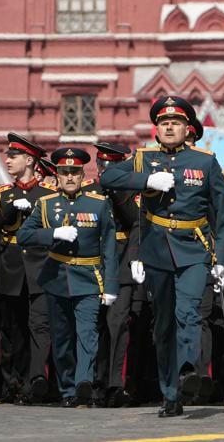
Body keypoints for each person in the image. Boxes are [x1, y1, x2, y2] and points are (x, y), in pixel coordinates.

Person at [100, 96, 224, 417]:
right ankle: (171, 394)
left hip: (193, 248)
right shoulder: (143, 158)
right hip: (156, 249)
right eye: (163, 123)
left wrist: (222, 259)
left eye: (175, 123)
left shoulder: (205, 162)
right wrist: (145, 180)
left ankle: (187, 370)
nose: (169, 127)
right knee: (162, 324)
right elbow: (107, 178)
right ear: (156, 129)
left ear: (188, 129)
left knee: (188, 312)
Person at [17, 147, 118, 408]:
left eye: (74, 172)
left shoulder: (98, 203)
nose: (70, 177)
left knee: (87, 334)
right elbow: (23, 236)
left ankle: (84, 383)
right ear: (58, 176)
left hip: (88, 277)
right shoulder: (46, 204)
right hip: (57, 278)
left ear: (82, 174)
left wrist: (110, 286)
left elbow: (108, 246)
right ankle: (68, 389)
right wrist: (52, 235)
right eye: (64, 173)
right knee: (61, 339)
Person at [0, 133, 56, 405]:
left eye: (14, 156)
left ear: (30, 160)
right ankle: (11, 383)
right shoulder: (3, 194)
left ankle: (35, 381)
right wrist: (9, 211)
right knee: (11, 332)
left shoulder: (49, 196)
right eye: (8, 155)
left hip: (40, 268)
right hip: (10, 268)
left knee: (39, 328)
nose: (8, 160)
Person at [89, 142, 142, 408]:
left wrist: (119, 191)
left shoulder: (131, 191)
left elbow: (137, 221)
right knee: (93, 326)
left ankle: (113, 384)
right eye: (102, 165)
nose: (105, 170)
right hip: (94, 263)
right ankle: (92, 382)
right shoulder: (90, 190)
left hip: (121, 264)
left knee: (117, 325)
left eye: (112, 166)